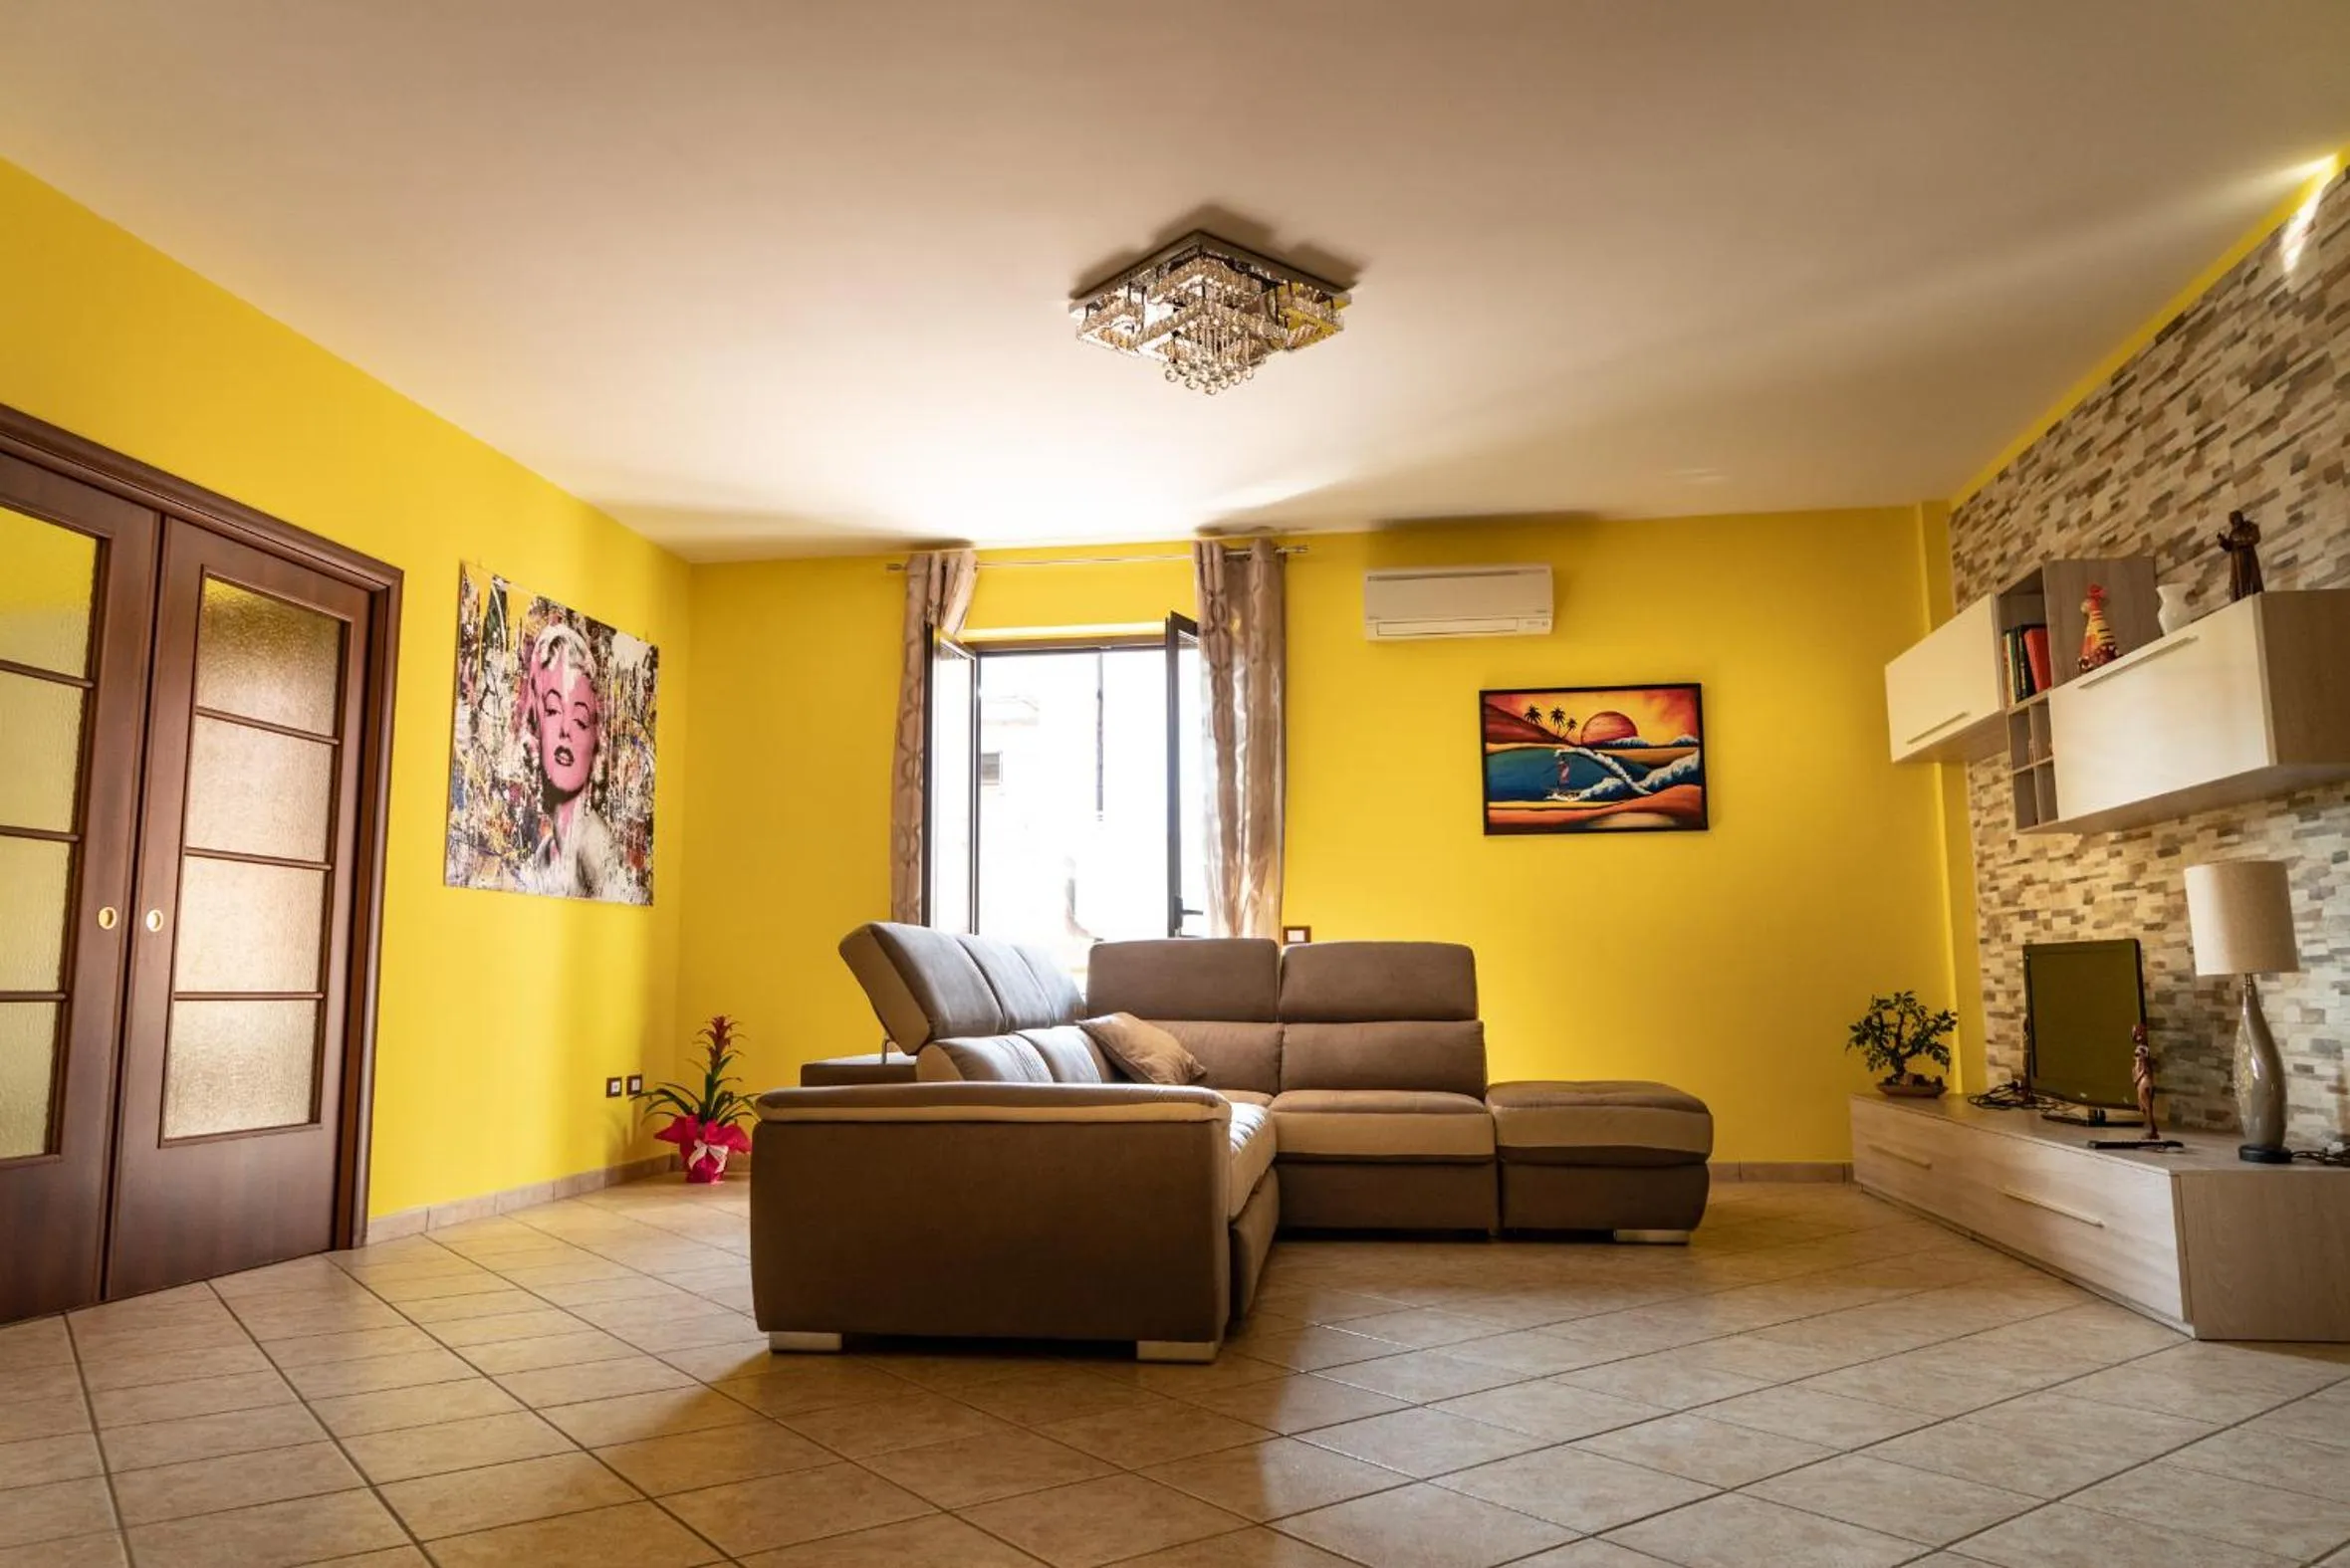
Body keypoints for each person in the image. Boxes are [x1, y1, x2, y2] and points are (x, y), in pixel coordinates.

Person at [520, 620, 630, 900]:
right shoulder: (545, 852)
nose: (566, 730)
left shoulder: (595, 844)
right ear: (537, 728)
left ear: (595, 745)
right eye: (554, 710)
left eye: (581, 720)